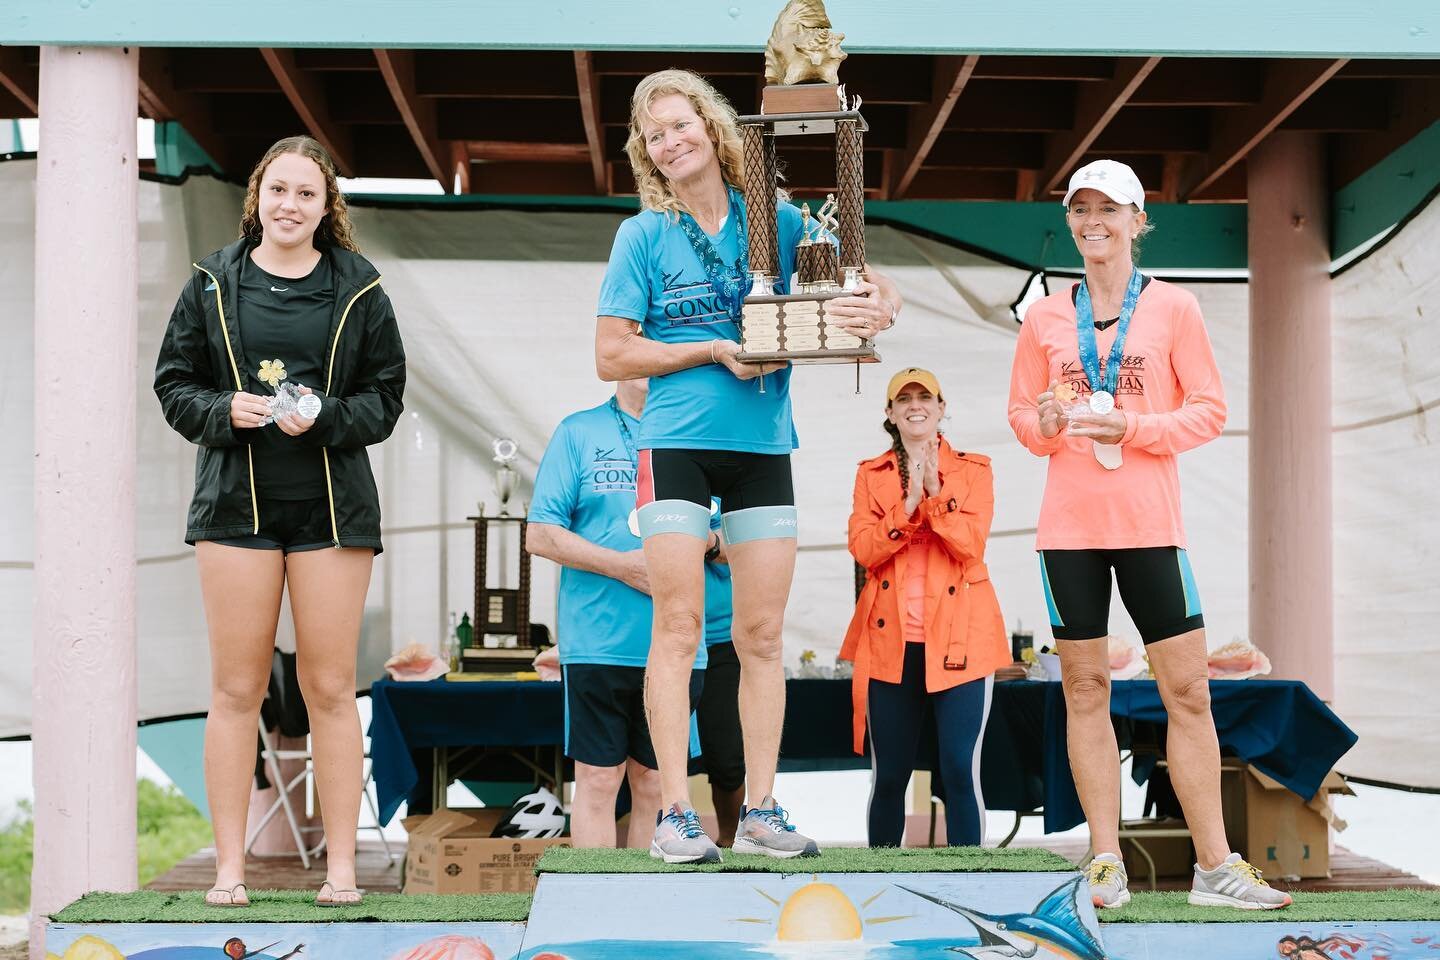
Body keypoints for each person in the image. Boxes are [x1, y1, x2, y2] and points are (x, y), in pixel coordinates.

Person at [594, 69, 902, 863]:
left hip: (765, 447)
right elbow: (610, 352)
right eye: (654, 135)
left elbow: (860, 270)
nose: (670, 142)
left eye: (680, 124)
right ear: (646, 153)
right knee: (680, 628)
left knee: (761, 635)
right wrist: (709, 348)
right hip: (677, 447)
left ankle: (762, 809)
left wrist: (881, 303)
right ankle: (672, 815)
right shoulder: (643, 236)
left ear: (713, 128)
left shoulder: (777, 220)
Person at [1006, 158, 1289, 910]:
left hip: (1150, 525)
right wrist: (1042, 424)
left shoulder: (1174, 309)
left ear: (1137, 219)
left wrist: (1134, 424)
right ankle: (1104, 860)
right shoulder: (1043, 316)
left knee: (1187, 691)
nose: (1092, 220)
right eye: (1080, 208)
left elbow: (1210, 411)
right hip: (1068, 531)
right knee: (1085, 688)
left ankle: (1215, 868)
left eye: (1108, 207)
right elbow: (1021, 419)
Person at [153, 135, 405, 907]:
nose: (289, 205)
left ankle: (340, 872)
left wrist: (327, 416)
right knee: (235, 690)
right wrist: (221, 410)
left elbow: (384, 401)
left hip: (333, 511)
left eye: (306, 193)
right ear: (256, 195)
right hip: (235, 509)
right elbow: (173, 384)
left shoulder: (360, 289)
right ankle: (230, 872)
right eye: (278, 190)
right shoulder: (209, 284)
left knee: (330, 689)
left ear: (327, 206)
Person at [526, 377, 728, 849]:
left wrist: (709, 542)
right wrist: (624, 567)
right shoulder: (579, 432)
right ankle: (592, 911)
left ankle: (642, 912)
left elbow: (742, 546)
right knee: (597, 780)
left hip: (678, 645)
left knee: (656, 785)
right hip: (598, 642)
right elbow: (540, 533)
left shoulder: (700, 436)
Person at [840, 367, 1009, 847]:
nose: (916, 404)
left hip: (961, 641)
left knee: (959, 770)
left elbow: (970, 545)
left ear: (940, 408)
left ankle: (968, 884)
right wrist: (907, 504)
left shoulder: (974, 470)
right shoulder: (869, 475)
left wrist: (934, 498)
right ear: (890, 414)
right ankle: (882, 883)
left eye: (925, 397)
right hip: (891, 642)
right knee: (889, 775)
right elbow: (864, 549)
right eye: (904, 398)